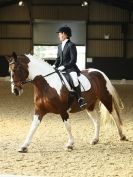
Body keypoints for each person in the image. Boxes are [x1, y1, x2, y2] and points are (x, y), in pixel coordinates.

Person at [53, 26, 87, 109]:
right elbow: (58, 59)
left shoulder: (71, 45)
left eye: (59, 34)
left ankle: (80, 98)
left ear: (64, 34)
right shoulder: (59, 46)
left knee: (75, 80)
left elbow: (73, 60)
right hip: (60, 68)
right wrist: (54, 65)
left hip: (70, 68)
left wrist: (64, 66)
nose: (58, 36)